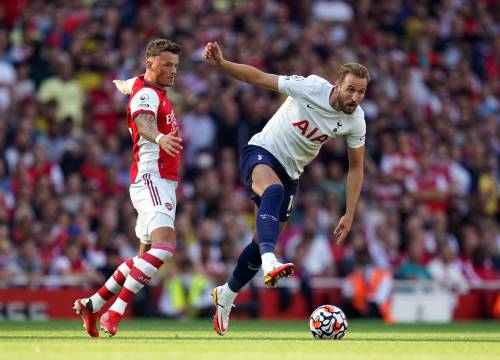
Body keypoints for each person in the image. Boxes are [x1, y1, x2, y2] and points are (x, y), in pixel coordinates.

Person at [203, 41, 369, 335]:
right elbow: (258, 78)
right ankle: (270, 263)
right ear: (337, 85)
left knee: (259, 240)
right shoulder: (310, 88)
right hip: (262, 151)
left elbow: (356, 167)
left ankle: (226, 295)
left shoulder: (355, 121)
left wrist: (350, 212)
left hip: (291, 172)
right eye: (351, 89)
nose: (355, 97)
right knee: (273, 193)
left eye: (361, 91)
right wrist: (222, 64)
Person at [73, 39, 183, 337]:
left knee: (143, 258)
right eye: (166, 65)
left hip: (160, 182)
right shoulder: (147, 95)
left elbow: (130, 84)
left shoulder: (145, 86)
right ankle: (116, 311)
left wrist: (125, 84)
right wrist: (159, 138)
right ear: (151, 64)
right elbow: (144, 122)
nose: (173, 71)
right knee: (165, 246)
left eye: (175, 65)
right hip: (152, 179)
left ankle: (92, 304)